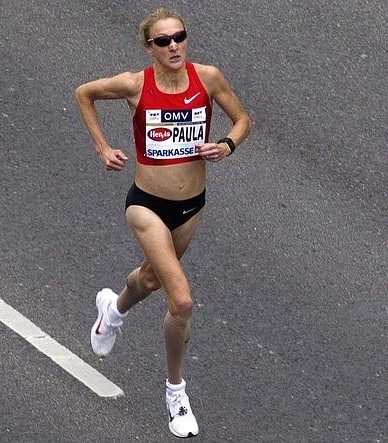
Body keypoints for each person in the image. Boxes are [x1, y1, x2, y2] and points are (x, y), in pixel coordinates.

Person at [74, 8, 251, 439]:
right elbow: (84, 93)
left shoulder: (208, 78)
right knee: (182, 301)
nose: (173, 46)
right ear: (148, 47)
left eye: (179, 37)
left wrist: (227, 145)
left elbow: (243, 120)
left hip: (192, 206)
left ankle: (111, 311)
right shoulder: (136, 85)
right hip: (147, 205)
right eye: (163, 41)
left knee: (151, 279)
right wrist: (102, 148)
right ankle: (176, 393)